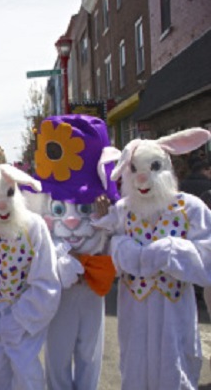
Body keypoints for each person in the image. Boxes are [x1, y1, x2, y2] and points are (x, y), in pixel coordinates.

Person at [94, 128, 211, 389]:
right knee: (135, 371)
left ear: (167, 169)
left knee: (174, 370)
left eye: (153, 167)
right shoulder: (122, 211)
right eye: (134, 169)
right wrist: (120, 247)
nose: (142, 177)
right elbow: (101, 256)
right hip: (133, 314)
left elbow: (208, 262)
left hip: (174, 312)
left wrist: (170, 252)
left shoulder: (190, 208)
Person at [23, 115, 119, 390]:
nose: (75, 219)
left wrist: (105, 217)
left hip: (92, 286)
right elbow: (37, 239)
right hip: (59, 289)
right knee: (58, 351)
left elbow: (115, 236)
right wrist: (62, 259)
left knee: (90, 351)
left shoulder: (103, 201)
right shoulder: (44, 199)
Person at [0, 164, 61, 390]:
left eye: (8, 193)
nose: (2, 204)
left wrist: (21, 318)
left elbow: (46, 278)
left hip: (24, 316)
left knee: (27, 373)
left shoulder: (34, 226)